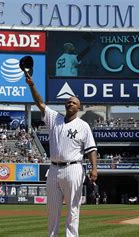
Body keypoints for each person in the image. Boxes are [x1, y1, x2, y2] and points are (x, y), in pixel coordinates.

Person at [25, 69, 98, 236]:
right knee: (52, 209)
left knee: (73, 208)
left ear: (79, 107)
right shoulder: (54, 118)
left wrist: (94, 168)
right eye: (68, 102)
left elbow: (92, 149)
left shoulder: (83, 126)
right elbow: (39, 103)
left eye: (73, 102)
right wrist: (32, 85)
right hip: (53, 169)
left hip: (73, 168)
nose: (70, 104)